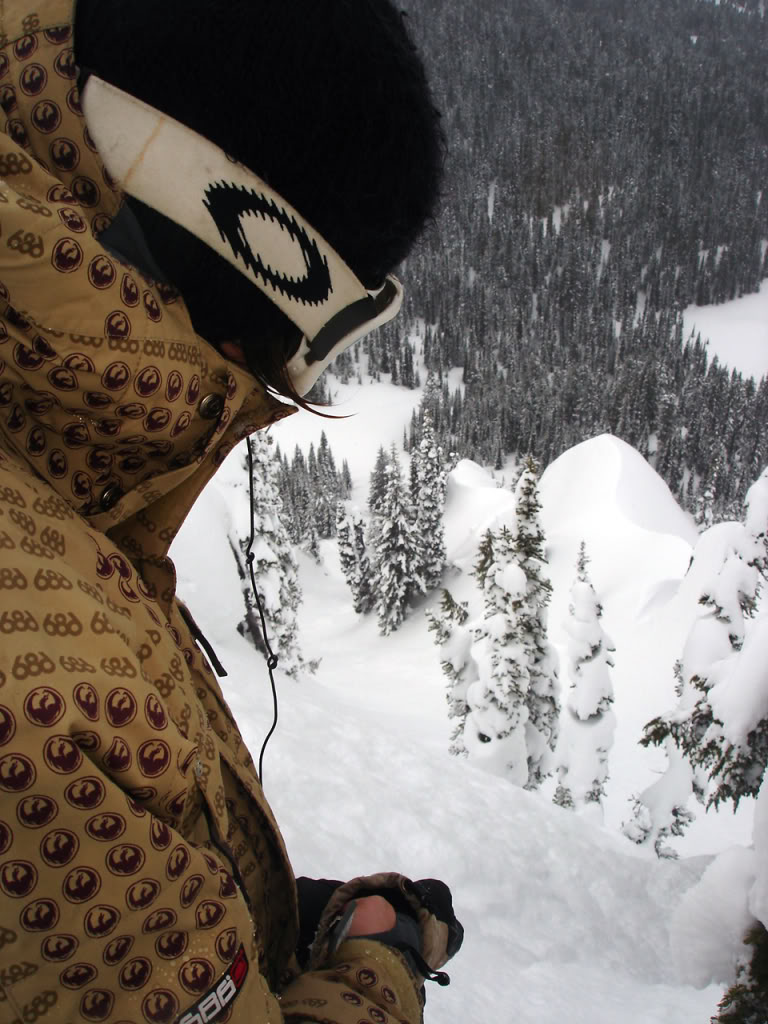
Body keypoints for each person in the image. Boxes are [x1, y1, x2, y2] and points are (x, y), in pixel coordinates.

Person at [0, 0, 462, 1022]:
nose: (270, 383)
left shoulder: (48, 466)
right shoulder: (40, 710)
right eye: (298, 338)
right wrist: (382, 963)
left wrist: (224, 910)